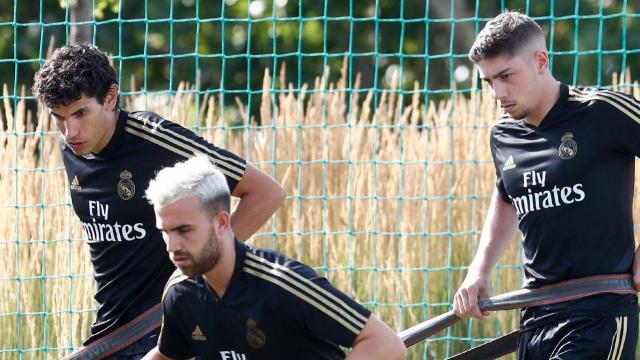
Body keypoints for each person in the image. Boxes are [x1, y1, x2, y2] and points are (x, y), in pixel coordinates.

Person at [32, 43, 286, 359]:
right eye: (59, 117)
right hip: (114, 331)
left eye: (81, 113)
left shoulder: (155, 138)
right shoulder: (72, 146)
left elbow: (266, 193)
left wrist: (198, 273)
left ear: (110, 97)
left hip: (171, 325)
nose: (70, 130)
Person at [453, 10, 640, 359]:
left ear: (541, 61)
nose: (498, 92)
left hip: (600, 315)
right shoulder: (502, 135)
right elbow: (508, 197)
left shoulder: (602, 111)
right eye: (489, 81)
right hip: (535, 316)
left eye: (507, 75)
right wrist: (478, 272)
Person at [141, 156, 406, 360]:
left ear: (222, 222)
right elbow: (168, 355)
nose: (172, 245)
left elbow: (385, 344)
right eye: (164, 232)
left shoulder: (283, 283)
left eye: (184, 230)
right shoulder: (180, 294)